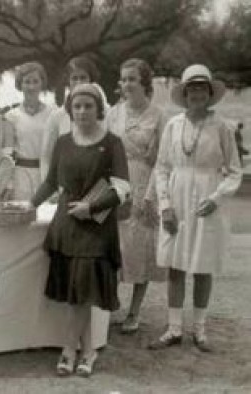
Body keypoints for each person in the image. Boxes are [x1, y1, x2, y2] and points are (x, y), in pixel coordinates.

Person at [31, 83, 130, 377]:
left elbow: (123, 188)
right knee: (78, 293)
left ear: (99, 109)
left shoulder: (112, 143)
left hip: (96, 228)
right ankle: (87, 351)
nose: (83, 111)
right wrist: (29, 205)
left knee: (82, 289)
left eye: (88, 106)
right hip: (66, 224)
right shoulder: (62, 142)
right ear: (70, 111)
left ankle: (68, 350)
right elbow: (50, 183)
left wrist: (92, 208)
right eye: (77, 106)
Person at [148, 64, 242, 352]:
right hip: (176, 197)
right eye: (192, 88)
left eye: (202, 88)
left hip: (207, 200)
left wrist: (216, 197)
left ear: (210, 93)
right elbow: (162, 168)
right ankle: (174, 328)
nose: (197, 93)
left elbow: (236, 171)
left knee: (203, 267)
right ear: (185, 93)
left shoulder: (222, 127)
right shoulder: (174, 126)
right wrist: (165, 205)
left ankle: (199, 330)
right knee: (175, 266)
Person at [105, 58, 166, 334]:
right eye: (123, 79)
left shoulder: (158, 116)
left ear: (144, 83)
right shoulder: (113, 113)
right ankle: (108, 305)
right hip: (115, 184)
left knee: (141, 249)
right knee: (113, 249)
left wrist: (151, 197)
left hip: (145, 184)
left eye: (132, 79)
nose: (126, 84)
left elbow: (162, 162)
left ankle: (135, 310)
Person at [40, 56, 109, 181]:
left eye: (83, 78)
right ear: (68, 81)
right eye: (74, 78)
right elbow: (46, 156)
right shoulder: (57, 116)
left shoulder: (106, 113)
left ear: (91, 80)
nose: (79, 82)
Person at [5, 62, 54, 200]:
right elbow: (8, 154)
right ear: (20, 84)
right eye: (27, 82)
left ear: (42, 83)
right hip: (21, 176)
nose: (31, 87)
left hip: (46, 176)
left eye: (35, 81)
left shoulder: (53, 113)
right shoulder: (11, 116)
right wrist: (9, 183)